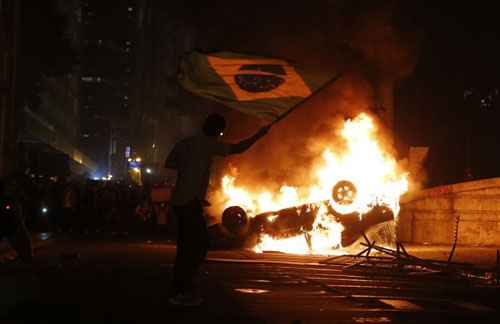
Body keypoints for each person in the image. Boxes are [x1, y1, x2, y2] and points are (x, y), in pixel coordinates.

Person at [165, 113, 270, 306]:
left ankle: (180, 289)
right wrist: (260, 134)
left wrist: (189, 173)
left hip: (181, 201)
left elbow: (170, 163)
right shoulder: (208, 144)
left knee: (187, 246)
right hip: (189, 203)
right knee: (198, 246)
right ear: (218, 132)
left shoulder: (186, 143)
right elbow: (238, 148)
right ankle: (182, 290)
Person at [0, 178, 33, 263]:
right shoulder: (9, 198)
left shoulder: (11, 198)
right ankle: (25, 256)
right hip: (9, 223)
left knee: (19, 239)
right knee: (19, 238)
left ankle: (25, 256)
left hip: (10, 223)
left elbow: (15, 211)